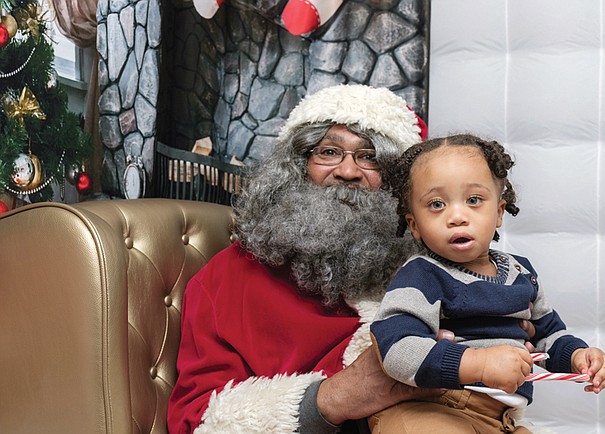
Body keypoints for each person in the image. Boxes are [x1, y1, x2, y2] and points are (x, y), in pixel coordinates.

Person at [167, 85, 535, 434]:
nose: (347, 171)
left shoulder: (441, 269)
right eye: (327, 152)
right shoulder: (228, 279)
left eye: (370, 157)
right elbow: (198, 420)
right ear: (295, 167)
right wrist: (334, 398)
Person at [369, 134, 605, 433]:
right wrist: (478, 364)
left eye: (474, 200)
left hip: (502, 418)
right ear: (414, 225)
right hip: (435, 408)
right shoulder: (422, 275)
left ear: (498, 212)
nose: (457, 216)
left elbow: (548, 336)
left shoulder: (521, 272)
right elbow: (396, 349)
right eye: (436, 204)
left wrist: (577, 356)